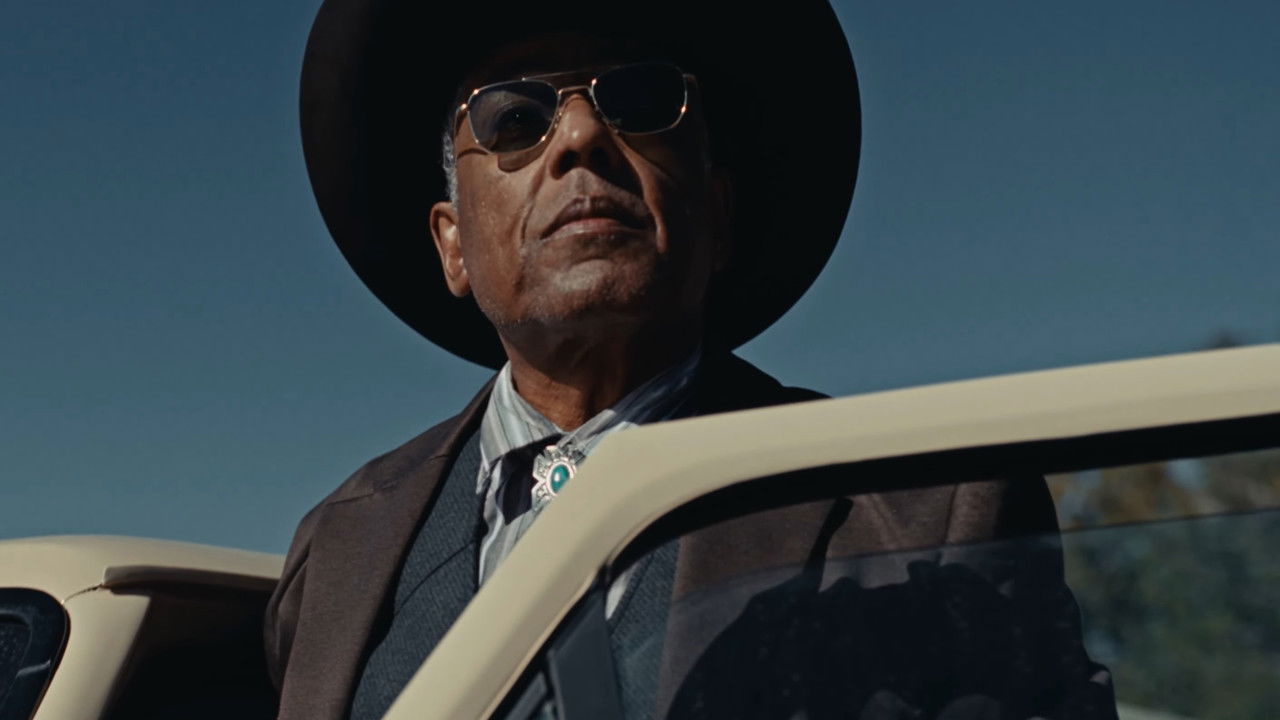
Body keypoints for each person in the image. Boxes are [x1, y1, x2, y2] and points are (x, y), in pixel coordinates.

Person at [265, 1, 1116, 719]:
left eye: (640, 101)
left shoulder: (922, 516)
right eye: (515, 119)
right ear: (452, 245)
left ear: (716, 216)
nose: (582, 135)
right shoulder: (338, 551)